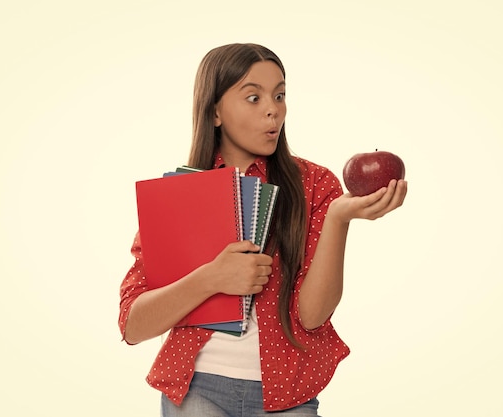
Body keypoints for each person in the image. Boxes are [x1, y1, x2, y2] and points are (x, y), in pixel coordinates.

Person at [118, 43, 407, 416]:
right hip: (196, 389)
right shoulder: (179, 195)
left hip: (288, 394)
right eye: (253, 97)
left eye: (280, 95)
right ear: (216, 111)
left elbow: (312, 316)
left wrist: (338, 219)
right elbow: (133, 325)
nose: (273, 109)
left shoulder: (316, 185)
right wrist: (212, 277)